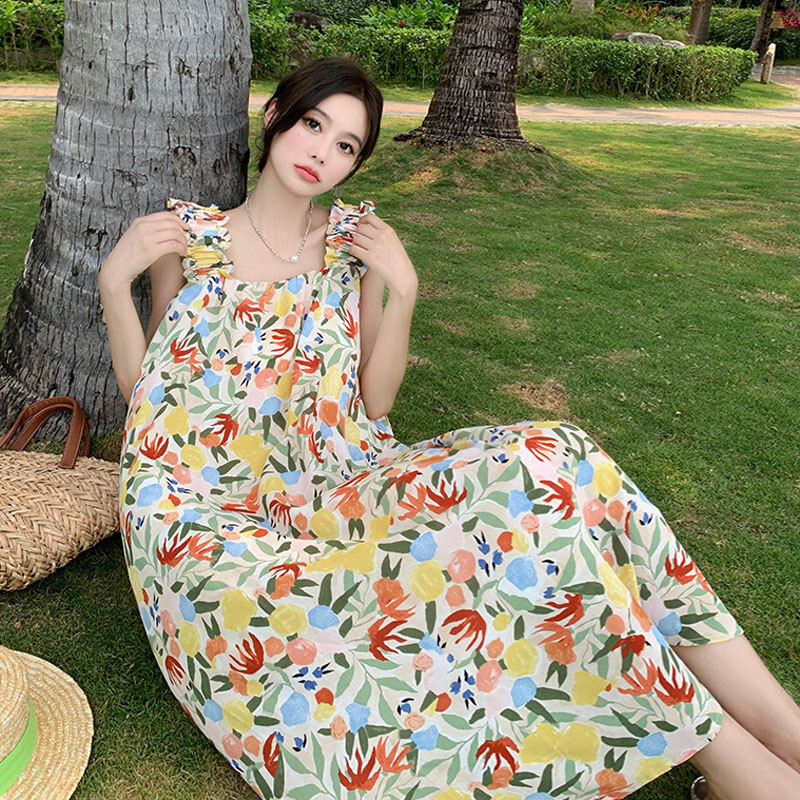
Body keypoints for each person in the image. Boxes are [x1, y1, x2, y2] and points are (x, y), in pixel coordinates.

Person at [98, 56, 800, 800]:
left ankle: (783, 729)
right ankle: (745, 769)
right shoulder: (191, 241)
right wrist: (115, 285)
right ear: (275, 116)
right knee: (521, 540)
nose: (322, 152)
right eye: (312, 124)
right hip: (210, 503)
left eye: (345, 144)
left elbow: (375, 401)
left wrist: (403, 287)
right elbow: (150, 399)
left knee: (558, 458)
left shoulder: (356, 245)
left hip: (343, 472)